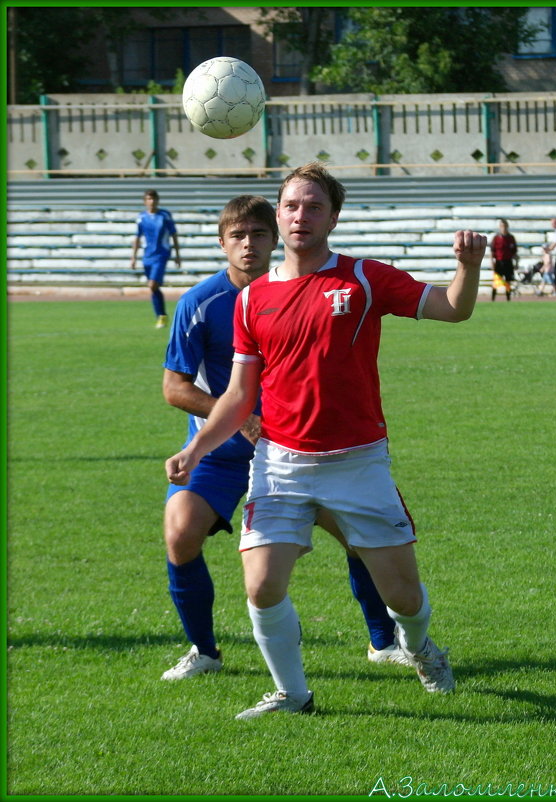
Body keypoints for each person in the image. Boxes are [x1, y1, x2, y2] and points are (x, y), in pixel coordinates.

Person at [166, 163, 487, 720]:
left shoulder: (363, 278)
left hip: (357, 464)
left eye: (314, 206)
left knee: (403, 599)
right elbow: (240, 394)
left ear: (333, 218)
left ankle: (420, 649)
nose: (300, 216)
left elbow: (453, 309)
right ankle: (293, 694)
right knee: (262, 585)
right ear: (279, 214)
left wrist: (469, 267)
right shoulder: (252, 300)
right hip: (280, 463)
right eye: (292, 205)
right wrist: (196, 449)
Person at [161, 194, 409, 682]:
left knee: (360, 541)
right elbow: (175, 387)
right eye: (237, 236)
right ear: (222, 243)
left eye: (257, 235)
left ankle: (383, 643)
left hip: (297, 452)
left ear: (275, 239)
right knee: (180, 535)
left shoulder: (300, 290)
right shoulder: (200, 302)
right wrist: (236, 421)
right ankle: (204, 651)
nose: (248, 245)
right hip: (223, 454)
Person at [131, 189, 181, 328]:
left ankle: (161, 316)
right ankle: (162, 316)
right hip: (147, 256)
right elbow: (137, 237)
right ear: (145, 201)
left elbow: (174, 235)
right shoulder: (141, 217)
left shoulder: (165, 215)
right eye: (149, 199)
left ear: (157, 200)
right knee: (153, 288)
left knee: (152, 285)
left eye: (154, 199)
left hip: (162, 254)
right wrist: (133, 257)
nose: (152, 201)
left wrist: (177, 255)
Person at [489, 218, 517, 302]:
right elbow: (492, 251)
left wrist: (516, 262)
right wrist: (491, 262)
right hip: (499, 262)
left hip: (508, 261)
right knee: (496, 281)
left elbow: (514, 252)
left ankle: (508, 299)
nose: (503, 228)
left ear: (507, 226)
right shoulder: (496, 238)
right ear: (500, 227)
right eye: (501, 226)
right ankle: (493, 299)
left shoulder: (511, 238)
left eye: (504, 226)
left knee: (508, 281)